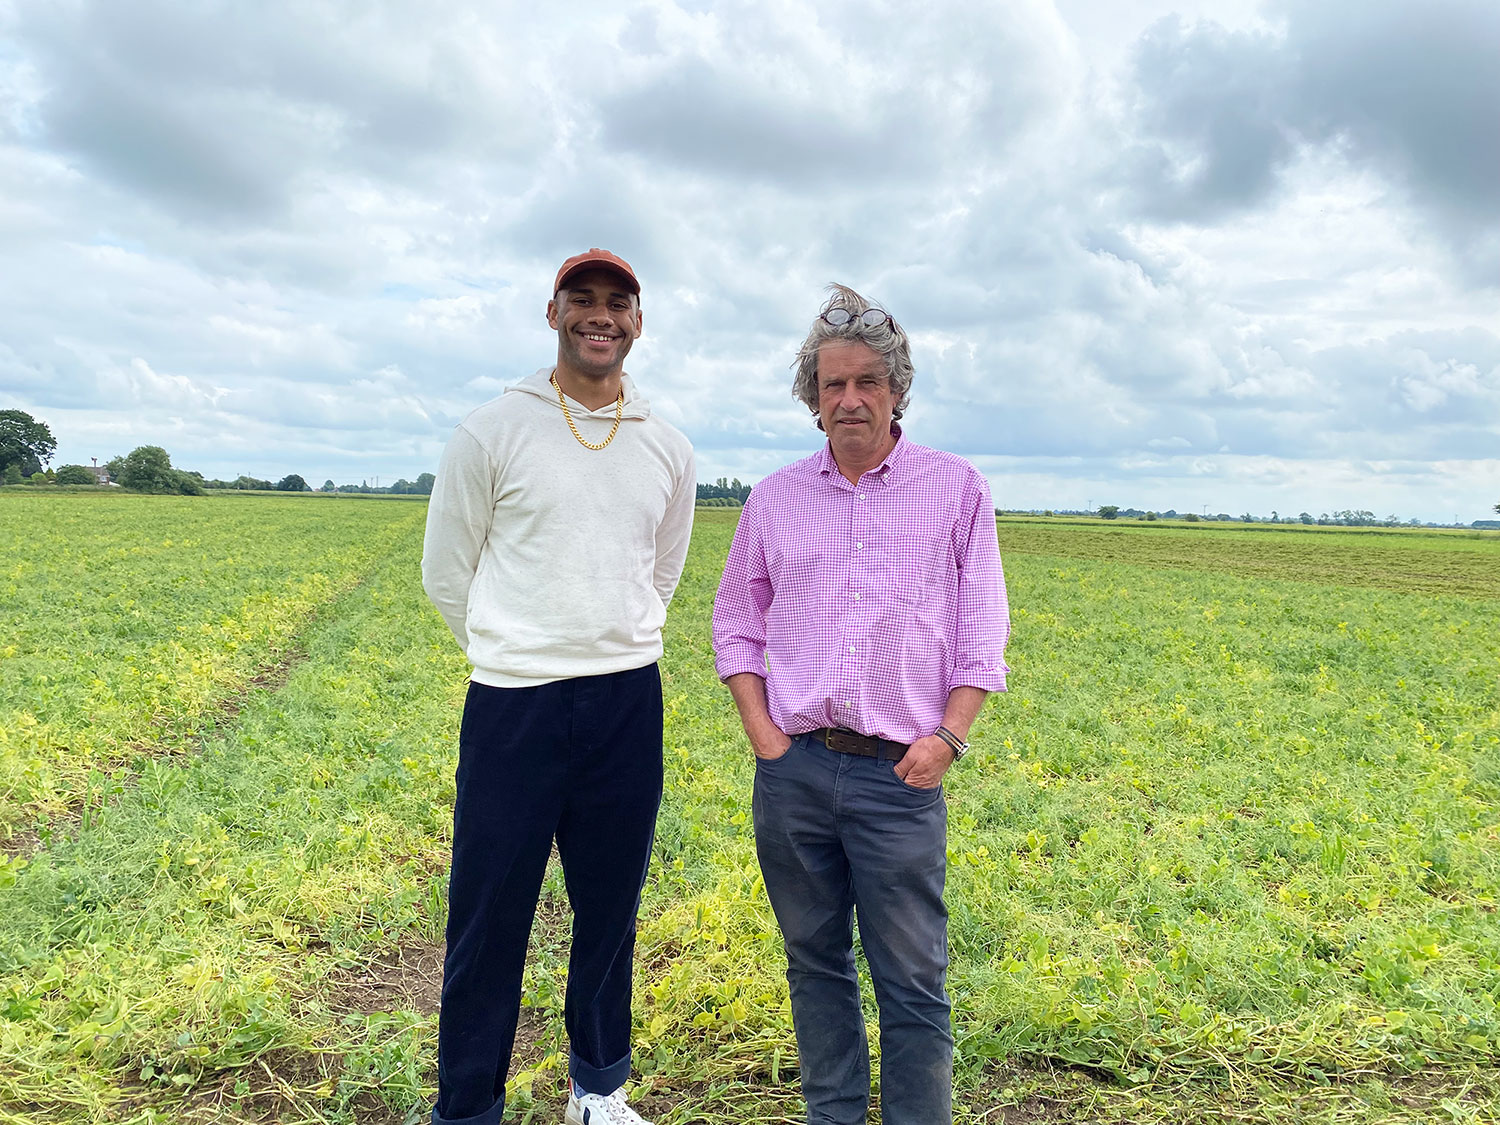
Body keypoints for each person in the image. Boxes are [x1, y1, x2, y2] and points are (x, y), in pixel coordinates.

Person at [711, 285, 1010, 1124]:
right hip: (797, 772)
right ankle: (832, 1115)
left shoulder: (956, 490)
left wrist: (949, 736)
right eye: (833, 384)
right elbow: (735, 622)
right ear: (813, 399)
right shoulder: (774, 499)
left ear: (897, 391)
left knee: (914, 978)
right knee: (814, 962)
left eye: (868, 382)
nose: (850, 399)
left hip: (899, 775)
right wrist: (765, 736)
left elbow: (983, 629)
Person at [422, 248, 695, 1125]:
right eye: (583, 300)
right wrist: (518, 648)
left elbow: (663, 571)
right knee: (488, 916)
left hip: (626, 702)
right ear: (554, 313)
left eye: (618, 303)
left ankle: (599, 1089)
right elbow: (445, 573)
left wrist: (605, 640)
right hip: (513, 705)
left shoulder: (668, 444)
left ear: (638, 323)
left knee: (609, 908)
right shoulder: (490, 431)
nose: (600, 316)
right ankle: (467, 1107)